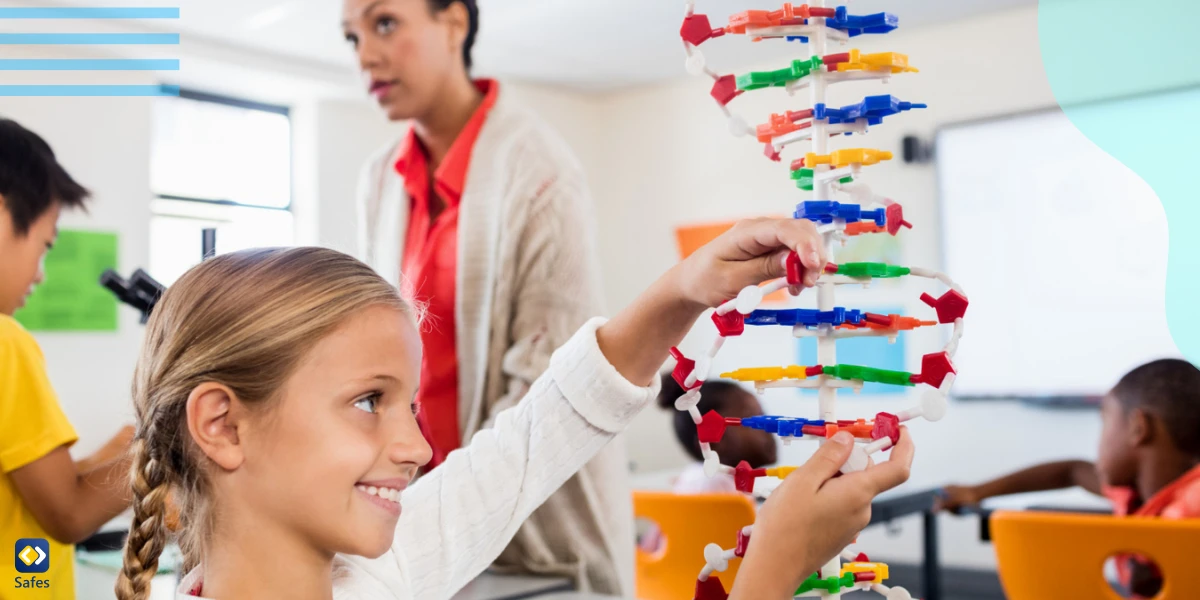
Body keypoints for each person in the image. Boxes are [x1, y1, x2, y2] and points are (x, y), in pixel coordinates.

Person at [107, 218, 914, 599]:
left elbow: (532, 440)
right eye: (367, 401)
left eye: (408, 404)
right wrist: (771, 569)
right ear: (221, 426)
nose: (418, 448)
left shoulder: (370, 570)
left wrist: (681, 290)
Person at [343, 0, 627, 591]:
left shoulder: (539, 169)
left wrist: (441, 513)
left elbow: (548, 385)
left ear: (455, 23)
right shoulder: (377, 179)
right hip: (411, 517)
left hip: (531, 537)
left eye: (385, 23)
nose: (366, 55)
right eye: (352, 37)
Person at [0, 118, 135, 599]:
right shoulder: (6, 342)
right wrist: (165, 450)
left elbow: (24, 490)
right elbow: (67, 515)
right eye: (45, 245)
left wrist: (104, 459)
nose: (39, 275)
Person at [939, 358, 1200, 599]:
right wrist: (976, 492)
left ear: (1137, 428)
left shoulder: (1192, 506)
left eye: (1105, 420)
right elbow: (1073, 471)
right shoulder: (1138, 492)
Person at [640, 376, 777, 552]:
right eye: (754, 419)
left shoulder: (700, 477)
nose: (770, 426)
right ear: (713, 442)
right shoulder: (714, 485)